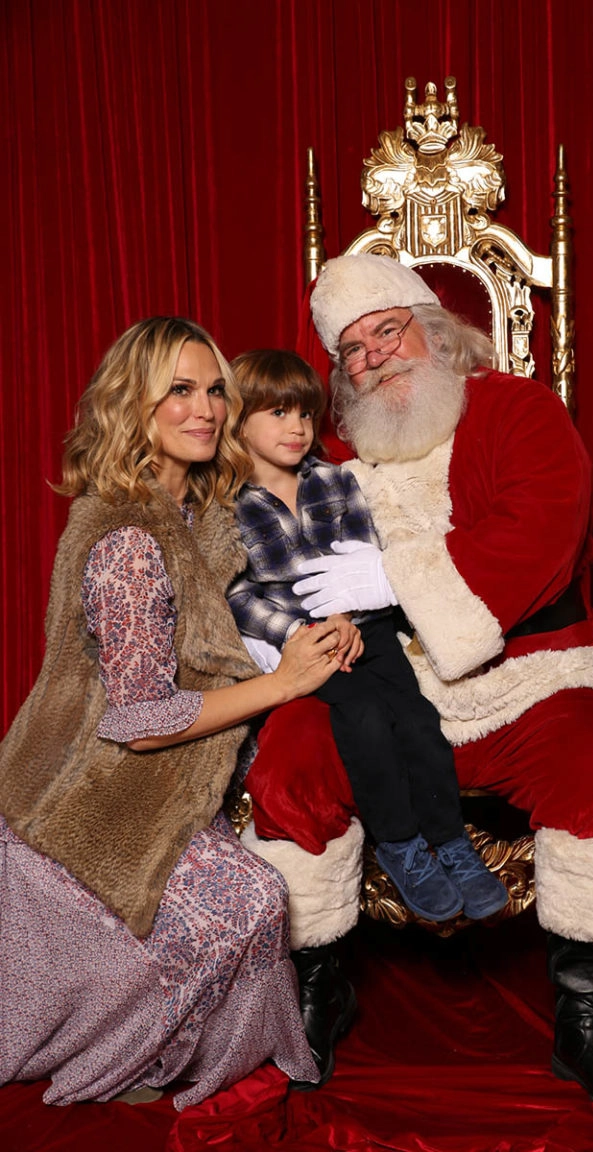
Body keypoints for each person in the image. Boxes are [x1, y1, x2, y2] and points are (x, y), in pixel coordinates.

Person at [243, 254, 593, 1120]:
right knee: (289, 761)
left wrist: (394, 578)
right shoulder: (329, 456)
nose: (375, 357)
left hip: (527, 678)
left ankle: (583, 1019)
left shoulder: (520, 411)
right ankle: (318, 990)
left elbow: (542, 529)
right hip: (381, 683)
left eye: (387, 331)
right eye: (353, 350)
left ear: (434, 331)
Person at [0, 316, 346, 1109]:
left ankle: (173, 1045)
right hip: (89, 797)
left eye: (216, 391)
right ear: (136, 404)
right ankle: (122, 1061)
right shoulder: (127, 538)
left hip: (177, 788)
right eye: (180, 391)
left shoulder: (210, 511)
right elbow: (142, 722)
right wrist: (284, 683)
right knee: (254, 901)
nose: (206, 409)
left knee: (262, 891)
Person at [226, 348, 508, 928]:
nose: (297, 427)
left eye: (306, 414)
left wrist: (348, 618)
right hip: (301, 648)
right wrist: (299, 634)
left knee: (418, 718)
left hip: (365, 630)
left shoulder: (335, 480)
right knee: (366, 720)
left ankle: (451, 843)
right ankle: (402, 845)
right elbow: (236, 595)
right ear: (240, 421)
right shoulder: (227, 506)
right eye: (278, 413)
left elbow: (364, 554)